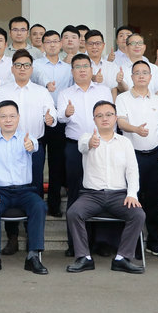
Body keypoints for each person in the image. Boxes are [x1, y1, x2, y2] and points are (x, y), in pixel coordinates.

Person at [65, 100, 145, 274]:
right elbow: (83, 146)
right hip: (92, 195)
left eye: (109, 115)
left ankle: (122, 258)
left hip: (119, 195)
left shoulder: (125, 142)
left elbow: (132, 171)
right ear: (94, 119)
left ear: (115, 118)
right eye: (99, 116)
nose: (105, 118)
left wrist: (132, 194)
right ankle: (83, 257)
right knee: (73, 213)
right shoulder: (86, 137)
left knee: (138, 214)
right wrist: (91, 142)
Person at [0, 49, 57, 254]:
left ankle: (32, 237)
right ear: (12, 68)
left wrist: (50, 119)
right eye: (18, 65)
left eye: (26, 65)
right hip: (6, 146)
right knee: (9, 188)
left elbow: (52, 114)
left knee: (34, 190)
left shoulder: (41, 92)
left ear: (32, 68)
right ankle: (12, 237)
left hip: (34, 148)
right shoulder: (2, 91)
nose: (22, 69)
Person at [0, 100, 49, 275]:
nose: (8, 120)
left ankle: (33, 256)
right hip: (0, 191)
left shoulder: (27, 137)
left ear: (18, 117)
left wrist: (30, 145)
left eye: (12, 116)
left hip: (25, 191)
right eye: (3, 116)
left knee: (39, 205)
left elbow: (33, 146)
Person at [57, 53, 113, 255]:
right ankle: (75, 244)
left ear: (92, 69)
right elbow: (60, 118)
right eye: (78, 67)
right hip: (74, 147)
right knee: (76, 193)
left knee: (101, 190)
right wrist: (67, 113)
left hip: (100, 145)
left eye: (85, 66)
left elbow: (111, 117)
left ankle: (101, 241)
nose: (82, 70)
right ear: (72, 71)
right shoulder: (65, 93)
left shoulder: (104, 90)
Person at [116, 59, 158, 257]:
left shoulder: (157, 100)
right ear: (131, 77)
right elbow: (121, 122)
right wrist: (135, 129)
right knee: (133, 199)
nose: (141, 76)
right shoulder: (123, 98)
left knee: (154, 200)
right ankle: (134, 245)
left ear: (150, 77)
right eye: (137, 72)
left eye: (144, 72)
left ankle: (153, 243)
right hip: (132, 156)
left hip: (154, 155)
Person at [31, 30, 72, 216]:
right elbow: (37, 80)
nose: (52, 45)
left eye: (56, 41)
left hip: (60, 118)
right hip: (38, 117)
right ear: (43, 44)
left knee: (57, 163)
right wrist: (47, 84)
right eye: (48, 42)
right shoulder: (36, 65)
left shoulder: (68, 68)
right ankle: (37, 204)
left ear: (61, 44)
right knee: (37, 163)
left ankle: (54, 205)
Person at [119, 33, 158, 100]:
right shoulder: (121, 70)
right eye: (133, 43)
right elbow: (124, 91)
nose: (137, 46)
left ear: (144, 47)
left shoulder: (154, 68)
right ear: (126, 48)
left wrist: (154, 103)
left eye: (140, 43)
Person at [84, 29, 122, 98]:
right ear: (85, 45)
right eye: (91, 44)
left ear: (103, 45)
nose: (94, 47)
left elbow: (114, 89)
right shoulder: (80, 66)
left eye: (98, 43)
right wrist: (92, 78)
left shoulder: (112, 67)